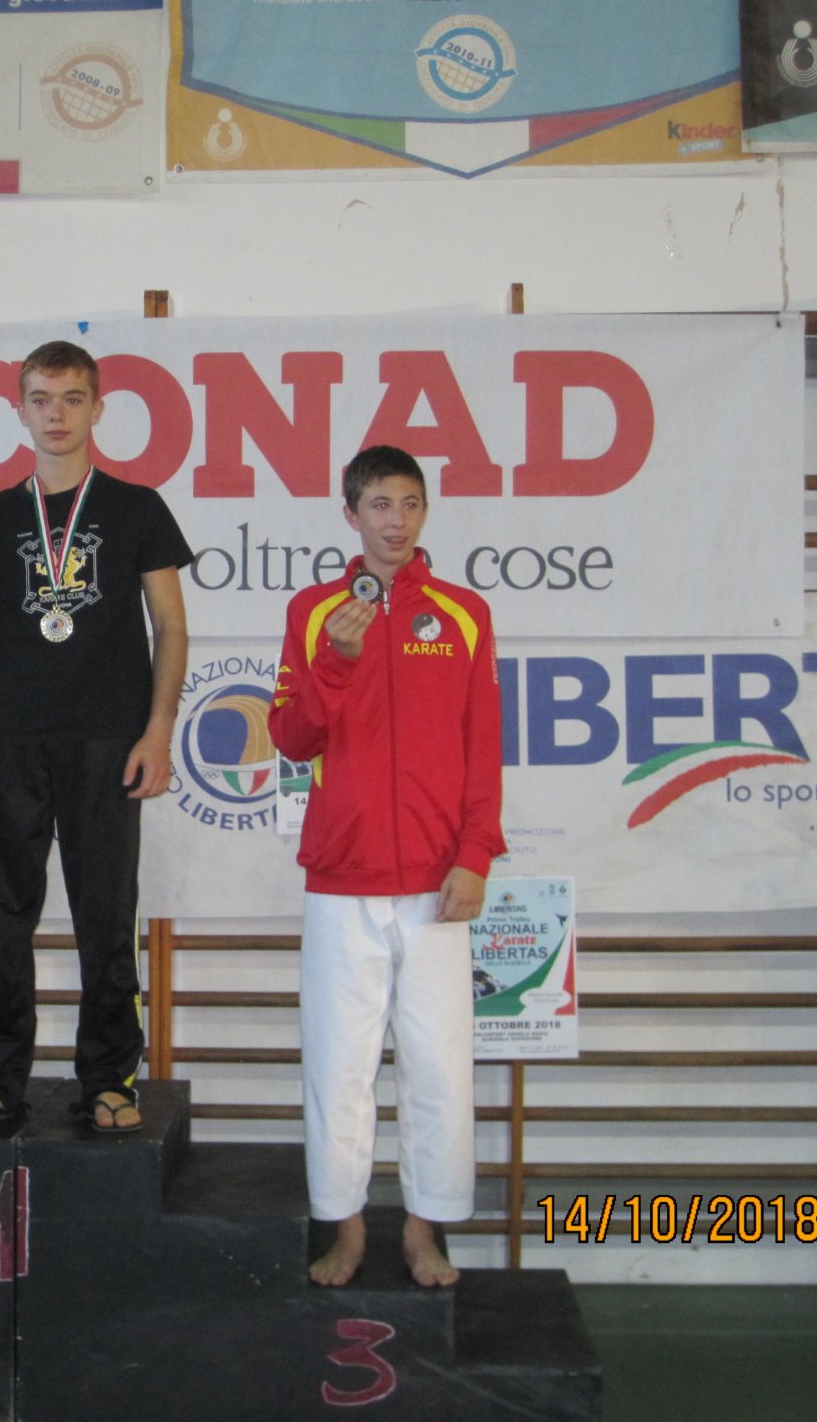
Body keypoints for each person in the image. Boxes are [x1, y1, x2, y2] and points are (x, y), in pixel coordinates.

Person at [0, 340, 192, 1135]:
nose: (56, 415)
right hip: (5, 743)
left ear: (97, 408)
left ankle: (109, 1078)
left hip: (109, 741)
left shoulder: (138, 507)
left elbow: (171, 628)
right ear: (20, 411)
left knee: (106, 919)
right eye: (41, 399)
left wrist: (158, 730)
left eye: (72, 399)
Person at [268, 445, 505, 1289]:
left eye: (409, 504)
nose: (395, 521)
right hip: (343, 875)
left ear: (424, 511)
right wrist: (334, 659)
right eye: (379, 505)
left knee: (439, 1065)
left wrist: (474, 857)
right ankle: (346, 1229)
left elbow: (484, 747)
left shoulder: (464, 614)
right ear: (351, 514)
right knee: (339, 1067)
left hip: (439, 883)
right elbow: (291, 738)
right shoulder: (314, 611)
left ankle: (422, 1231)